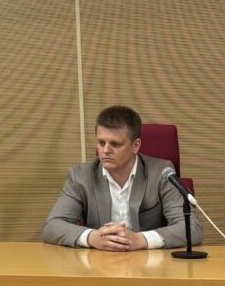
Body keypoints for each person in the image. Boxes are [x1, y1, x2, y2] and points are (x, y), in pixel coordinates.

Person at [42, 105, 201, 250]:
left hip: (150, 263)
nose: (105, 150)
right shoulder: (80, 176)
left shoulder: (161, 173)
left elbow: (192, 229)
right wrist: (92, 238)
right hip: (99, 262)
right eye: (101, 142)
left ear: (135, 145)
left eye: (115, 144)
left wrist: (141, 239)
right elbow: (52, 226)